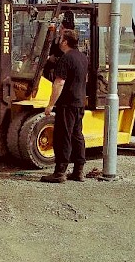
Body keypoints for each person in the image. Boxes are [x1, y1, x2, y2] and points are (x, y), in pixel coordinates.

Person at [41, 28, 88, 183]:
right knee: (77, 136)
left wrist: (50, 105)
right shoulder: (82, 58)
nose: (58, 41)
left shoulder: (65, 59)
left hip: (67, 104)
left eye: (60, 38)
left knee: (63, 137)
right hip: (80, 102)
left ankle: (59, 172)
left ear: (65, 42)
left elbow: (59, 83)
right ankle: (78, 171)